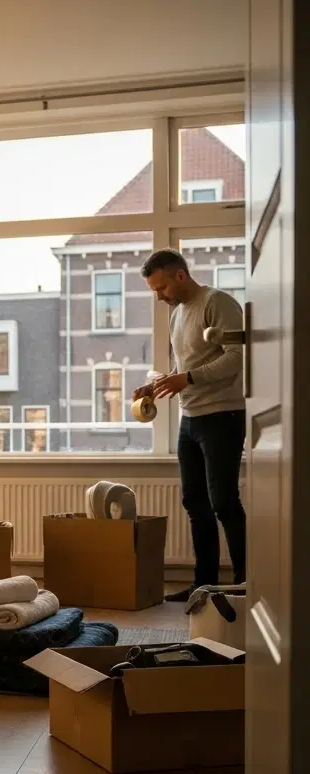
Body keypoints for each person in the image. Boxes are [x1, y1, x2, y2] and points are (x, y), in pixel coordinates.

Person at [136, 248, 246, 601]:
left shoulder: (219, 303)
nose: (159, 297)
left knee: (224, 502)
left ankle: (246, 583)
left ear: (180, 275)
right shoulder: (177, 313)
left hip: (222, 417)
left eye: (162, 288)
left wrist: (189, 379)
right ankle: (204, 584)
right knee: (194, 502)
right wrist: (156, 385)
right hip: (191, 419)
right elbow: (184, 370)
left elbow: (236, 359)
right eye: (154, 290)